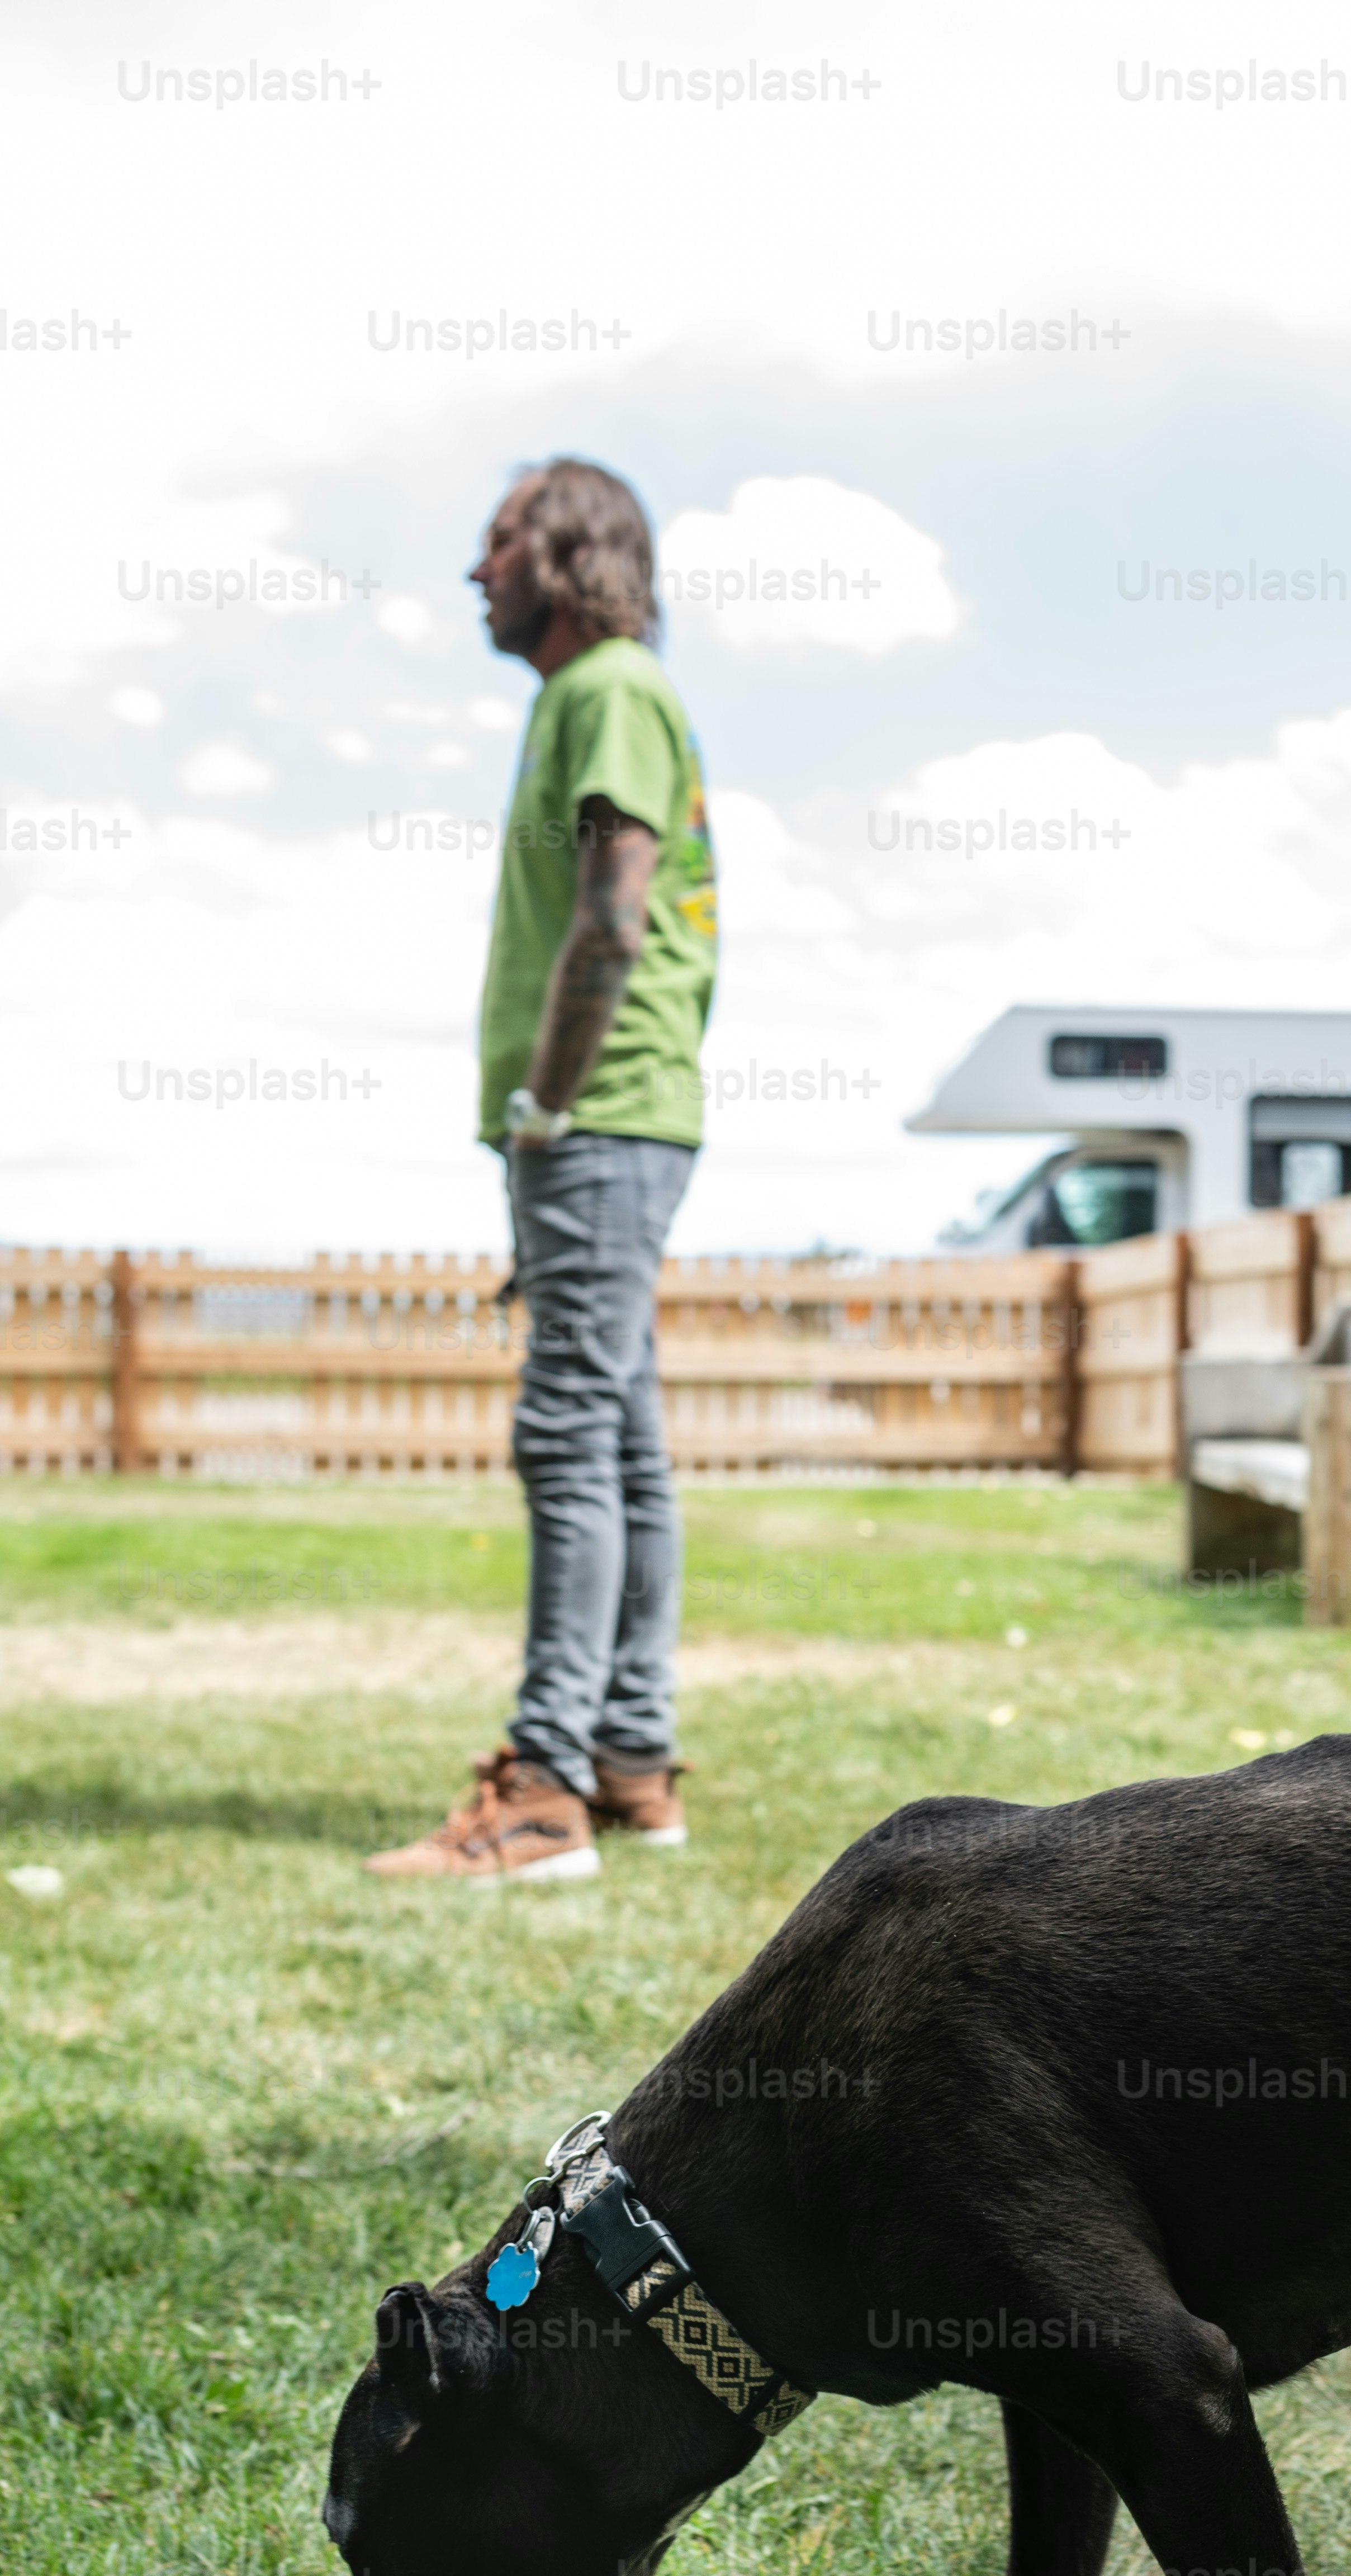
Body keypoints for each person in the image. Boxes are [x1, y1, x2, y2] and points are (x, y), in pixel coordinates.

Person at [368, 460, 715, 1883]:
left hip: (598, 1117)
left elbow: (616, 919)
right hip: (610, 1123)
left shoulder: (609, 688)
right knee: (620, 1438)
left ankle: (546, 1791)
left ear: (571, 551)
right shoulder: (593, 697)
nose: (477, 569)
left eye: (500, 539)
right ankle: (632, 1759)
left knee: (567, 1434)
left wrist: (545, 1107)